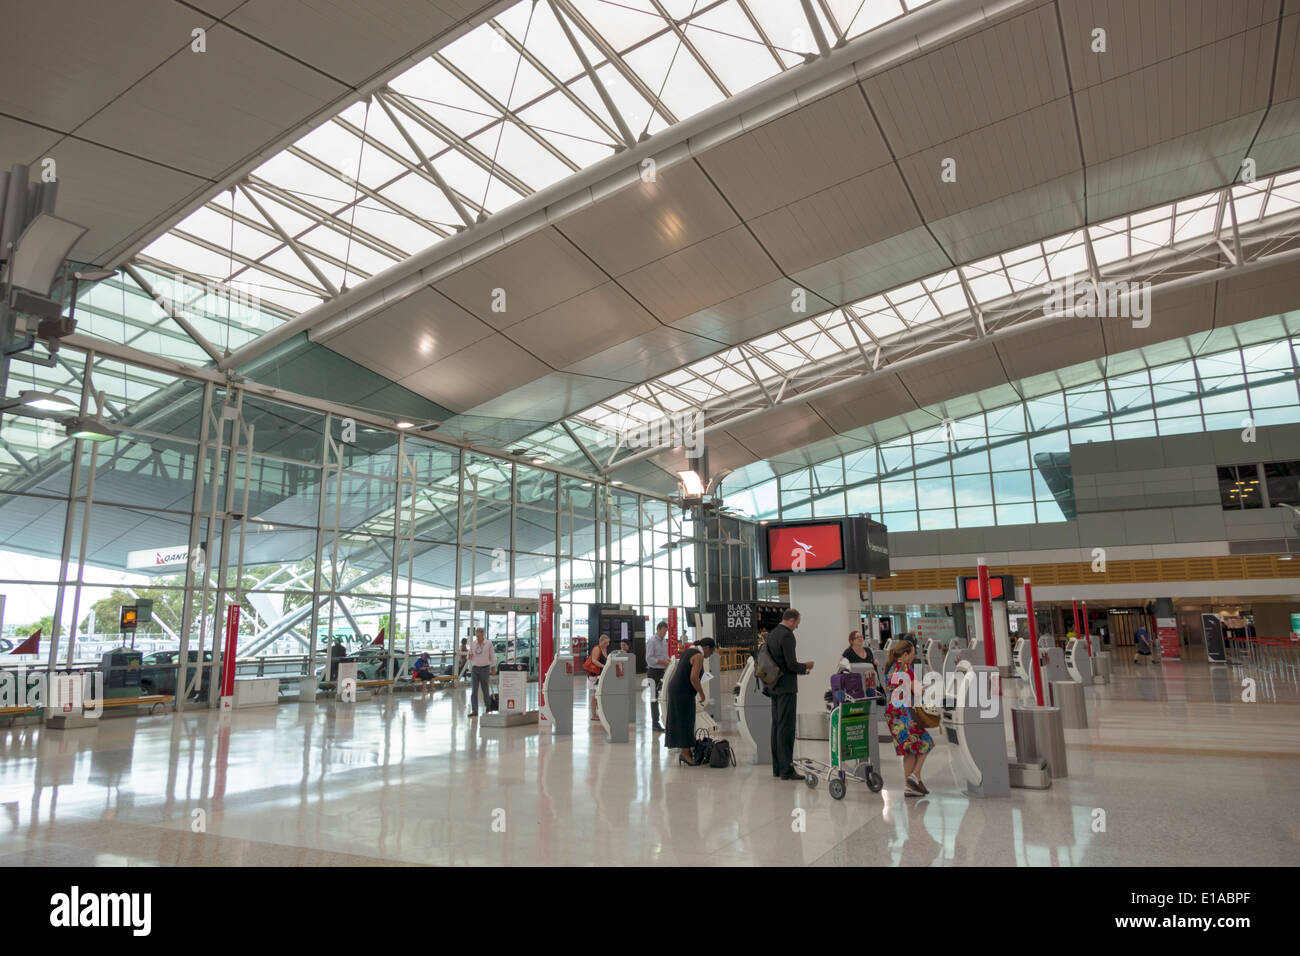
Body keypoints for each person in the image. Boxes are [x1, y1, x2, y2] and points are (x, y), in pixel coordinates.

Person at [766, 608, 812, 780]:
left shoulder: (772, 634)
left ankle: (777, 768)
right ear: (791, 620)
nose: (797, 627)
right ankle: (787, 770)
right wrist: (805, 666)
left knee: (776, 726)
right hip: (786, 687)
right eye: (797, 623)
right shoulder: (787, 635)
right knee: (786, 728)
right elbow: (791, 665)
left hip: (774, 686)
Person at [883, 639, 932, 797]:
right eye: (912, 653)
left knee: (909, 751)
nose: (913, 656)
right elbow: (917, 690)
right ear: (905, 654)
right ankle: (914, 775)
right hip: (905, 715)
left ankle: (909, 786)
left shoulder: (891, 668)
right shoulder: (906, 669)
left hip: (892, 715)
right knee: (926, 743)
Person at [666, 637, 716, 764]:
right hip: (682, 691)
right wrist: (702, 694)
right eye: (711, 652)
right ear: (707, 648)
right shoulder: (698, 655)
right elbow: (694, 677)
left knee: (683, 720)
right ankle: (685, 753)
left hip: (676, 689)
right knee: (686, 721)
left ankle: (686, 751)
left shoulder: (690, 650)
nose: (709, 656)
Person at [646, 620, 670, 732]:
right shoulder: (652, 641)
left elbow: (665, 656)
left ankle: (664, 719)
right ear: (658, 629)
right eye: (663, 632)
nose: (665, 634)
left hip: (662, 672)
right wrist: (662, 662)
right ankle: (655, 723)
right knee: (654, 698)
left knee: (663, 696)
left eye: (666, 632)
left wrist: (669, 661)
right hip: (653, 672)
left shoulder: (664, 641)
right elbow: (649, 658)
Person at [467, 627, 495, 717]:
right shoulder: (473, 643)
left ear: (482, 634)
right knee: (474, 690)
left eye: (478, 634)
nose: (477, 636)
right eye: (476, 634)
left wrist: (493, 667)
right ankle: (474, 710)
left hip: (485, 668)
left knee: (485, 689)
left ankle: (488, 706)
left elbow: (492, 655)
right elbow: (469, 654)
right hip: (475, 669)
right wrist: (469, 655)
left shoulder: (488, 643)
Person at [587, 633, 610, 719]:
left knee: (598, 694)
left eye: (607, 643)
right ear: (601, 641)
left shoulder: (604, 649)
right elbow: (594, 660)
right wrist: (603, 666)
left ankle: (597, 713)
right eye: (605, 643)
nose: (606, 644)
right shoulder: (597, 648)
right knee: (595, 695)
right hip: (595, 675)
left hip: (600, 675)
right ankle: (593, 714)